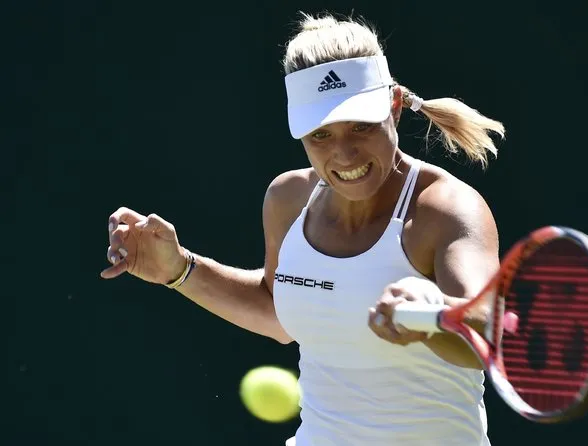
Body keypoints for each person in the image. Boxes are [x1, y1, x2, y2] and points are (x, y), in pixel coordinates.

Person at [101, 12, 505, 446]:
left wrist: (433, 315)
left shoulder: (446, 209)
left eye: (361, 128)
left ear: (394, 106)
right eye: (321, 136)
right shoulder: (287, 199)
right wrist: (179, 270)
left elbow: (484, 336)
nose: (345, 154)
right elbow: (280, 312)